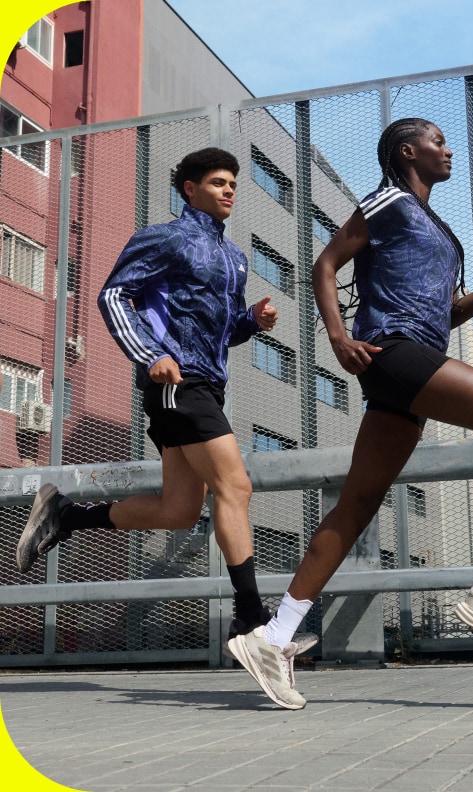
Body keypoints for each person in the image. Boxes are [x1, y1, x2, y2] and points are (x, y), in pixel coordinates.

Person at [228, 117, 473, 705]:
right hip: (391, 352)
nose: (448, 149)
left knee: (356, 505)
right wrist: (336, 337)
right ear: (407, 152)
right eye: (438, 141)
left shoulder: (436, 226)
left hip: (414, 357)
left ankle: (272, 638)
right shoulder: (389, 201)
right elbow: (324, 264)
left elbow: (447, 315)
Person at [15, 147, 314, 710]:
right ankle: (254, 625)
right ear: (187, 187)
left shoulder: (235, 258)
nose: (229, 190)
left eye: (233, 184)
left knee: (179, 510)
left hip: (206, 382)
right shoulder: (167, 238)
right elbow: (112, 295)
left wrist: (250, 321)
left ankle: (65, 515)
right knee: (236, 488)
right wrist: (150, 352)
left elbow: (217, 331)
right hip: (178, 385)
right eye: (218, 182)